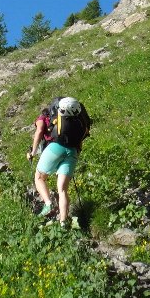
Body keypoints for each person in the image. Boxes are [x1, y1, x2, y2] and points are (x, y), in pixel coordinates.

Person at [28, 97, 91, 228]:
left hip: (55, 147)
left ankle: (48, 203)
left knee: (39, 177)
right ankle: (63, 222)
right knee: (62, 190)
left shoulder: (46, 117)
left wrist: (33, 152)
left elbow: (39, 131)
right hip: (73, 152)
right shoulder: (80, 120)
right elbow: (83, 135)